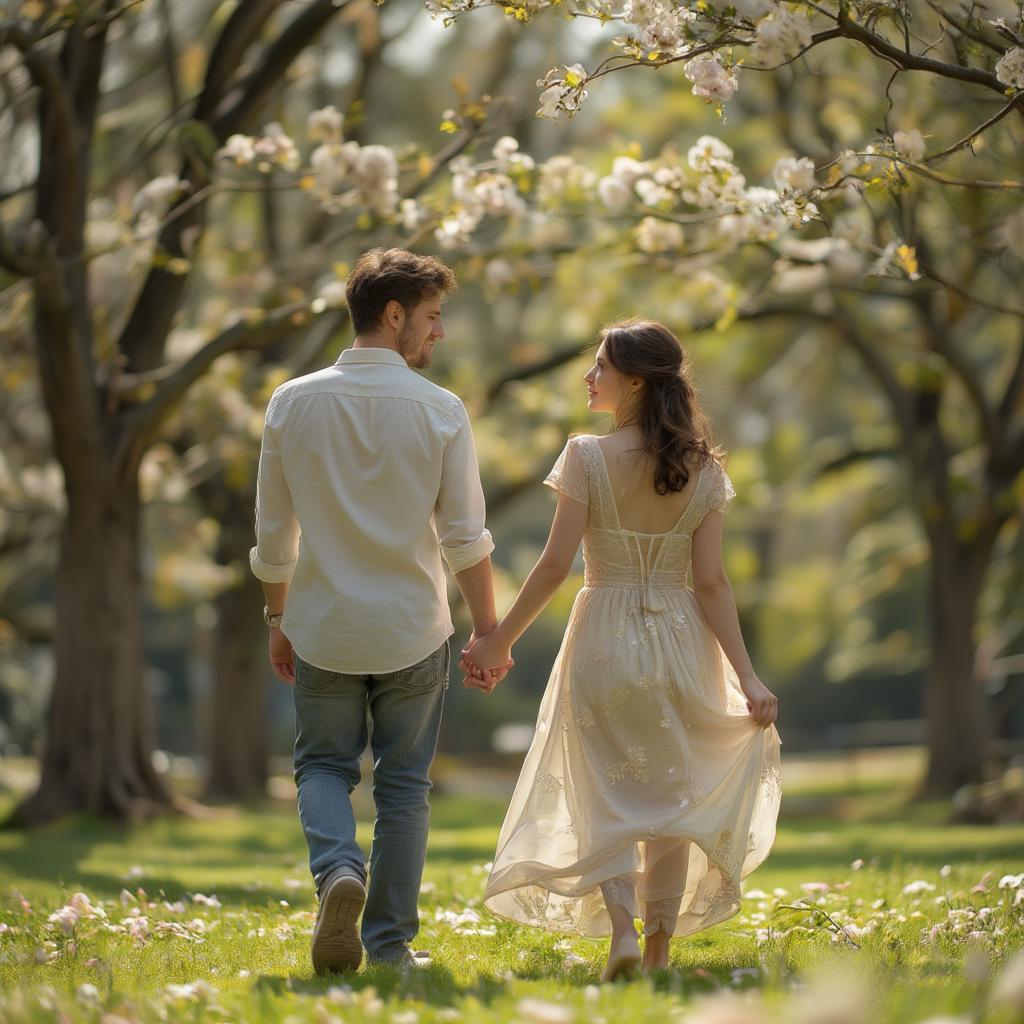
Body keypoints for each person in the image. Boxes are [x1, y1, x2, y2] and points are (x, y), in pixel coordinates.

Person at [461, 319, 782, 980]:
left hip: (603, 638)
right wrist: (748, 677)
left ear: (634, 379)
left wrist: (497, 639)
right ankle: (659, 944)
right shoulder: (704, 470)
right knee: (671, 795)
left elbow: (553, 568)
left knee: (601, 789)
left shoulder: (585, 456)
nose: (589, 377)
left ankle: (621, 935)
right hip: (682, 642)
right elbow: (713, 582)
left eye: (599, 366)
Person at [250, 248, 510, 973]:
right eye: (431, 318)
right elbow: (465, 538)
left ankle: (338, 870)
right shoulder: (441, 410)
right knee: (403, 788)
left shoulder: (290, 403)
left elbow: (274, 539)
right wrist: (489, 629)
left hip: (322, 627)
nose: (440, 334)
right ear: (393, 315)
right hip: (412, 631)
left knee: (323, 767)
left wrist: (277, 619)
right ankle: (390, 945)